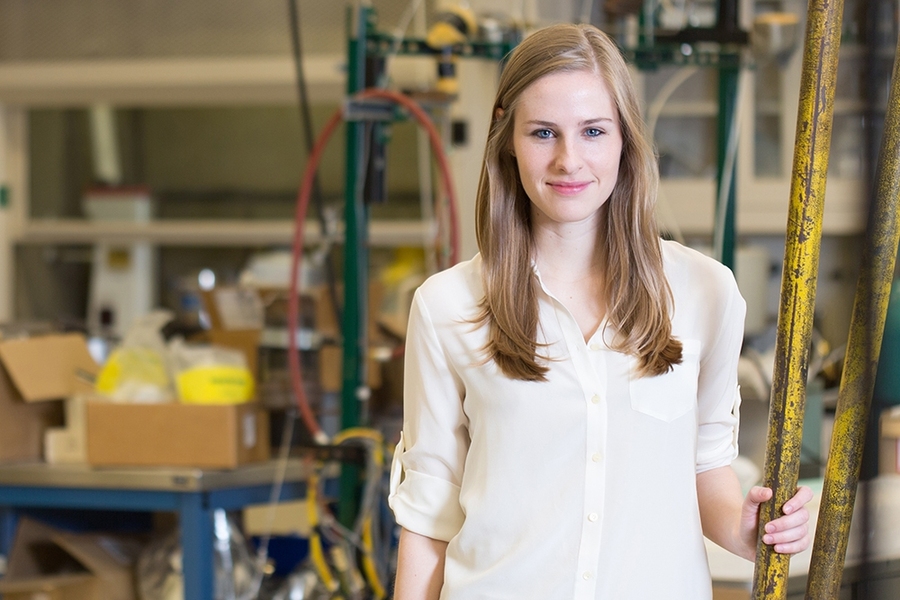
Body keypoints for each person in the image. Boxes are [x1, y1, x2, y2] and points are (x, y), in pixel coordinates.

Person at [388, 22, 813, 600]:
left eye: (593, 131)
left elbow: (705, 467)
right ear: (507, 139)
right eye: (543, 133)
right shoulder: (447, 307)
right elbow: (429, 512)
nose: (569, 160)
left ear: (624, 137)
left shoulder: (704, 292)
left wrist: (744, 530)